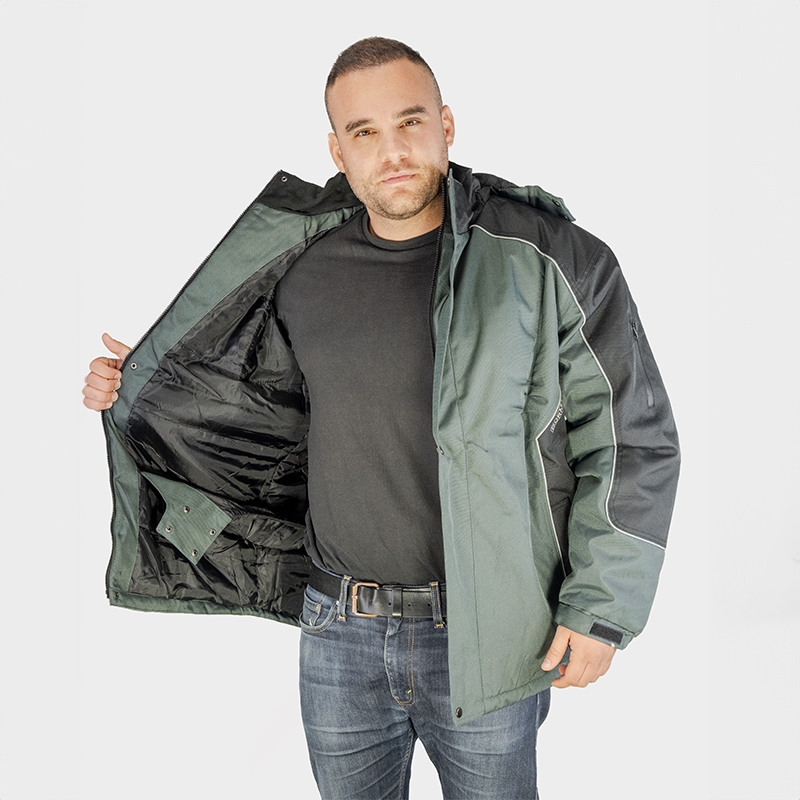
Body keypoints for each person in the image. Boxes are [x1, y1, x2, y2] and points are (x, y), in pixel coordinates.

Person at [83, 37, 680, 799]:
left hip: (489, 625)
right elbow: (261, 413)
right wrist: (144, 384)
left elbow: (631, 437)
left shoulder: (549, 258)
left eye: (410, 122)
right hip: (336, 629)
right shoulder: (300, 266)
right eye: (364, 132)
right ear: (338, 150)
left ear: (446, 125)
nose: (391, 151)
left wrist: (600, 608)